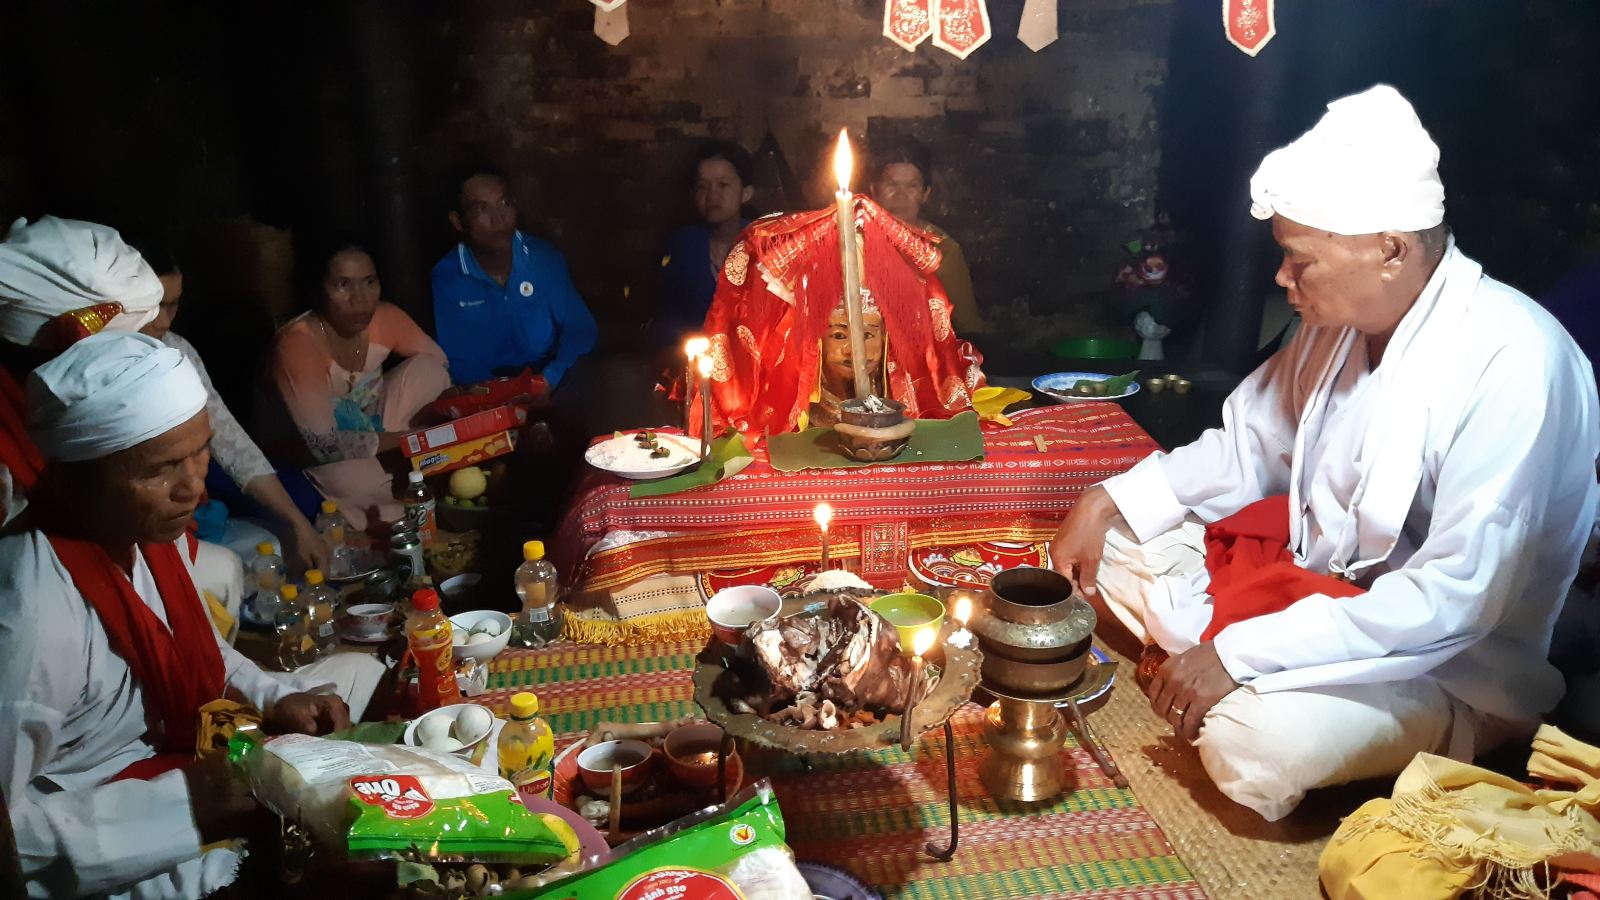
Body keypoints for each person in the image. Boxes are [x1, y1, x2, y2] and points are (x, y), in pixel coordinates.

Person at [1047, 85, 1600, 821]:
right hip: (1311, 596)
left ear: (1390, 251)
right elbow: (1246, 448)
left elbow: (1452, 603)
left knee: (1253, 745)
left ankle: (1425, 732)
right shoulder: (1332, 325)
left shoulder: (1515, 364)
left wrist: (1241, 656)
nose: (1282, 279)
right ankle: (1215, 659)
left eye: (1297, 260)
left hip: (1444, 665)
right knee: (1106, 545)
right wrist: (1106, 500)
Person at [0, 332, 365, 898]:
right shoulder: (31, 618)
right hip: (119, 832)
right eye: (161, 468)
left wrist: (273, 696)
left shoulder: (140, 527)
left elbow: (190, 644)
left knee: (356, 681)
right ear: (74, 476)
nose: (193, 486)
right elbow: (9, 837)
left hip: (177, 751)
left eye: (200, 451)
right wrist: (187, 804)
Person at [0, 215, 248, 616]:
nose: (160, 329)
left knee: (216, 572)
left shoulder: (163, 359)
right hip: (57, 573)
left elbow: (225, 441)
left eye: (172, 308)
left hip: (131, 541)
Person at [129, 235, 330, 572]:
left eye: (173, 305)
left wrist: (298, 523)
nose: (163, 321)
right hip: (140, 522)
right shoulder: (98, 366)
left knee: (294, 519)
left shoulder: (177, 350)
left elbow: (230, 442)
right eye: (153, 307)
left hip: (194, 501)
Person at [265, 238, 450, 531]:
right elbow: (324, 445)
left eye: (369, 282)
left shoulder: (384, 318)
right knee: (352, 481)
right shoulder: (298, 345)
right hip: (313, 452)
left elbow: (440, 363)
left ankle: (409, 475)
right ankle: (408, 489)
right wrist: (412, 440)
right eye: (343, 285)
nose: (360, 298)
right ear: (317, 292)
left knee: (428, 371)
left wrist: (448, 421)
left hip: (375, 427)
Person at [431, 165, 598, 389]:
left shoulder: (542, 258)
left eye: (505, 204)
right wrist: (499, 395)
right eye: (482, 209)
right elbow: (459, 358)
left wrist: (551, 379)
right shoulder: (449, 276)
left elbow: (580, 330)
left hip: (552, 381)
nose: (498, 218)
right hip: (489, 392)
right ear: (458, 221)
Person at [870, 140, 987, 334]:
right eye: (891, 185)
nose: (901, 196)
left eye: (912, 187)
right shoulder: (852, 241)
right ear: (874, 190)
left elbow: (968, 327)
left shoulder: (944, 252)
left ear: (925, 194)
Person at [654, 141, 755, 346]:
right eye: (702, 186)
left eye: (723, 185)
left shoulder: (764, 244)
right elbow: (666, 318)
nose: (711, 196)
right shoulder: (683, 246)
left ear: (746, 193)